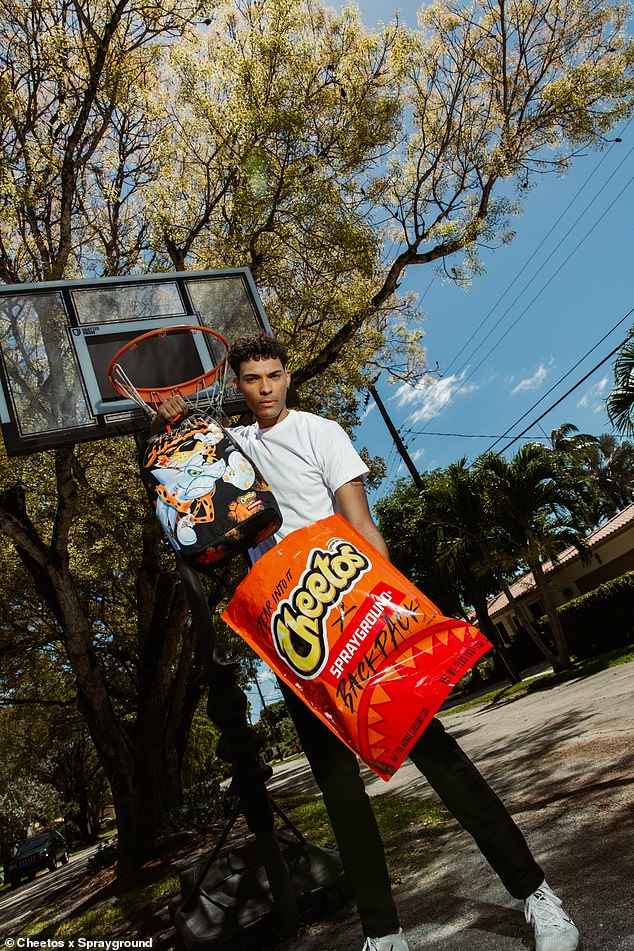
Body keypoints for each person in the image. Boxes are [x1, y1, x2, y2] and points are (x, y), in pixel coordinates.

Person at [155, 332, 580, 951]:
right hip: (294, 633)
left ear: (288, 376)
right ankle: (384, 936)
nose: (267, 387)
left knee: (438, 757)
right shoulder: (233, 448)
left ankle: (537, 895)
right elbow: (191, 464)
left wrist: (396, 608)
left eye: (275, 374)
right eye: (253, 378)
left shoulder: (319, 432)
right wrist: (173, 419)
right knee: (339, 789)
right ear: (237, 384)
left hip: (354, 609)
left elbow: (360, 522)